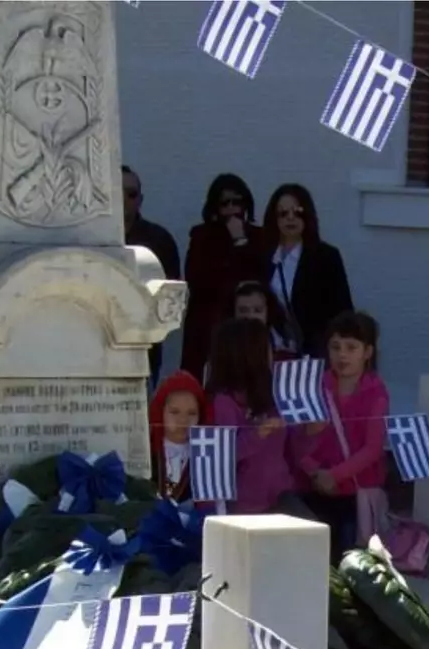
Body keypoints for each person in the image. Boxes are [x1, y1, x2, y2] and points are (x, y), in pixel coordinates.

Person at [293, 310, 388, 557]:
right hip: (313, 488)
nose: (342, 354)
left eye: (351, 347)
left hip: (354, 495)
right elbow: (297, 438)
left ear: (367, 352)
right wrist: (315, 473)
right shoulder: (316, 386)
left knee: (349, 559)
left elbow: (373, 448)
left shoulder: (376, 392)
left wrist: (334, 476)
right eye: (335, 347)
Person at [203, 316, 300, 515]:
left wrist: (311, 429)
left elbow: (292, 447)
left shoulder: (274, 394)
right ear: (249, 354)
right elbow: (224, 455)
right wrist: (257, 434)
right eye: (267, 348)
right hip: (245, 507)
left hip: (281, 495)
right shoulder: (224, 401)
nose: (272, 354)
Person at [181, 174, 268, 379]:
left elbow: (258, 276)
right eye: (225, 203)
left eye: (236, 202)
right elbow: (197, 279)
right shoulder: (201, 237)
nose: (231, 209)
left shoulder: (258, 237)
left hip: (247, 326)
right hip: (208, 328)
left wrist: (240, 240)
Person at [262, 183, 354, 361]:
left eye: (297, 212)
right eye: (283, 213)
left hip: (311, 353)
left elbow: (343, 311)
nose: (290, 218)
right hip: (269, 352)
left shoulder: (325, 257)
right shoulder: (265, 255)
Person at [122, 165, 182, 380]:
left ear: (140, 199)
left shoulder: (159, 240)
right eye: (116, 193)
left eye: (131, 194)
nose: (124, 200)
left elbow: (174, 299)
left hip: (146, 350)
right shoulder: (91, 241)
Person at [148, 370, 210, 506]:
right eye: (175, 412)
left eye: (192, 413)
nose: (183, 420)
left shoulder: (204, 455)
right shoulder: (149, 450)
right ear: (160, 411)